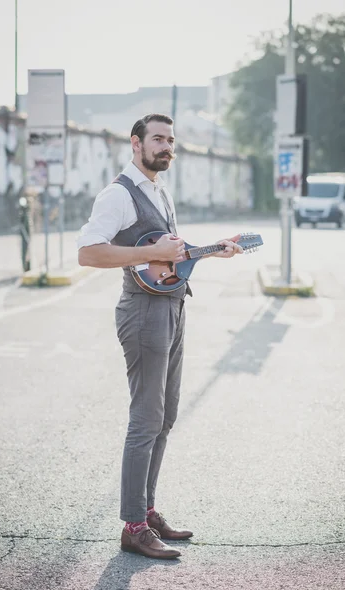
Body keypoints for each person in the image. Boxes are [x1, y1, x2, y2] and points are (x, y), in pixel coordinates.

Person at [78, 113, 243, 560]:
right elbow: (88, 253)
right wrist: (153, 250)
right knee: (145, 418)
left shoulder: (160, 191)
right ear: (136, 144)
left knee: (166, 416)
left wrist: (210, 251)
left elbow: (167, 260)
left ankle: (147, 511)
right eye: (158, 139)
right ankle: (132, 526)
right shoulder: (118, 194)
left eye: (171, 140)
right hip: (142, 313)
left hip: (172, 307)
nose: (166, 146)